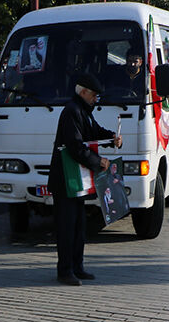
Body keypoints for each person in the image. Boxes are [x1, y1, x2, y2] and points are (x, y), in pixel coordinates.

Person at [46, 73, 122, 286]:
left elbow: (94, 132)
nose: (96, 99)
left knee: (79, 226)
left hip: (78, 181)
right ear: (83, 92)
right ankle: (65, 270)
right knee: (67, 227)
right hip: (66, 180)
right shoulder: (72, 111)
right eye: (94, 95)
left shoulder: (84, 111)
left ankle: (77, 266)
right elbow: (76, 147)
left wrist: (112, 140)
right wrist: (99, 162)